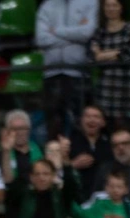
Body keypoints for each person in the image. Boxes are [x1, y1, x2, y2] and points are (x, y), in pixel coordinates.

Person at [36, 0, 96, 139]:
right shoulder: (46, 6)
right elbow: (41, 39)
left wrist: (56, 31)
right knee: (53, 123)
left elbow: (87, 33)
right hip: (52, 73)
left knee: (80, 122)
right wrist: (74, 36)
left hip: (78, 72)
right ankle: (55, 152)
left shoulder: (89, 3)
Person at [90, 0, 130, 129]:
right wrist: (114, 52)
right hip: (105, 84)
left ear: (121, 8)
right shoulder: (100, 31)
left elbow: (125, 54)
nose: (111, 9)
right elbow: (93, 56)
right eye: (108, 5)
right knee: (104, 124)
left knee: (122, 125)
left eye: (114, 5)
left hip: (124, 84)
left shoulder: (129, 28)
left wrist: (102, 54)